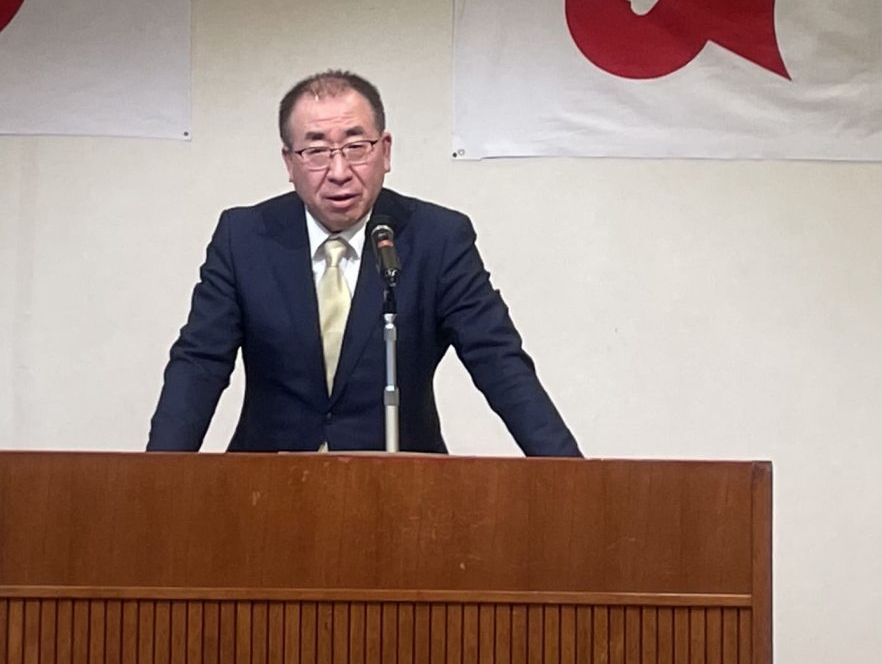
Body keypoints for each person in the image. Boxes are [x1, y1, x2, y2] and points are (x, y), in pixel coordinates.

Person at [147, 70, 581, 456]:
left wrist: (568, 474)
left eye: (356, 147)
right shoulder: (244, 237)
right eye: (317, 152)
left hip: (402, 486)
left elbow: (498, 361)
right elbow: (200, 363)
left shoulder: (437, 239)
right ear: (289, 162)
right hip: (268, 486)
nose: (339, 171)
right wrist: (158, 478)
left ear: (385, 151)